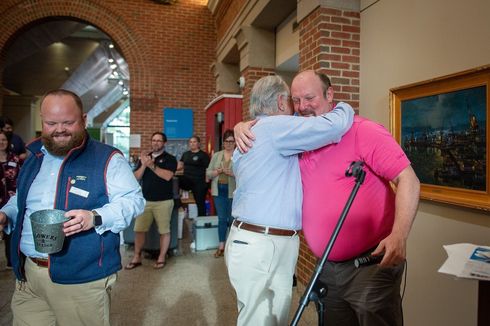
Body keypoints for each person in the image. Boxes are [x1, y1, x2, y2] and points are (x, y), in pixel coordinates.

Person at [236, 70, 421, 326]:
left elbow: (409, 180)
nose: (302, 107)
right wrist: (242, 125)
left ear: (330, 94)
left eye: (309, 98)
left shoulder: (363, 130)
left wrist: (400, 235)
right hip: (327, 268)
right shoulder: (300, 139)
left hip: (370, 265)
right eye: (296, 100)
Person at [0, 89, 145, 326]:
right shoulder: (34, 156)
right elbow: (21, 200)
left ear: (84, 120)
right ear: (42, 122)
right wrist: (6, 214)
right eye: (51, 123)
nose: (59, 129)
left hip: (81, 280)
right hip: (29, 275)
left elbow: (134, 200)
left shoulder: (108, 158)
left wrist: (95, 216)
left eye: (68, 122)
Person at [226, 75, 354, 326]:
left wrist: (240, 124)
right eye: (295, 100)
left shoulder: (254, 130)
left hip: (254, 240)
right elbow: (334, 127)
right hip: (264, 244)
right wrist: (344, 106)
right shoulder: (276, 128)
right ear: (282, 101)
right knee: (262, 320)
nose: (299, 107)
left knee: (264, 317)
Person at [126, 131, 177, 270]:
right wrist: (143, 164)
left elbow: (167, 176)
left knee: (164, 231)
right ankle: (137, 257)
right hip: (145, 201)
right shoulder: (144, 158)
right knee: (139, 230)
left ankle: (161, 257)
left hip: (164, 201)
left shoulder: (170, 159)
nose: (156, 143)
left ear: (164, 143)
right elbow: (136, 177)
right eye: (154, 140)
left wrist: (152, 166)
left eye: (159, 140)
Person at [206, 129, 236, 258]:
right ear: (223, 143)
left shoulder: (240, 155)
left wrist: (233, 174)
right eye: (226, 141)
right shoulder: (217, 155)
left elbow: (247, 175)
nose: (229, 144)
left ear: (235, 142)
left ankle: (232, 246)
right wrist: (216, 172)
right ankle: (221, 246)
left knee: (232, 219)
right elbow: (208, 173)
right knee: (222, 219)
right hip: (218, 190)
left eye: (231, 141)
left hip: (233, 191)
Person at [0, 130, 22, 269]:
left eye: (4, 140)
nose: (1, 143)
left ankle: (11, 261)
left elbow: (21, 179)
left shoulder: (14, 159)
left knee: (10, 234)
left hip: (12, 199)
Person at [177, 135, 210, 217]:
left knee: (200, 204)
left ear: (198, 144)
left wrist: (207, 183)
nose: (192, 144)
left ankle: (201, 223)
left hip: (199, 182)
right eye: (191, 142)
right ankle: (177, 202)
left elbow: (208, 169)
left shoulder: (203, 155)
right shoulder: (186, 154)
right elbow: (180, 166)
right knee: (174, 179)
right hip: (187, 180)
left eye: (194, 142)